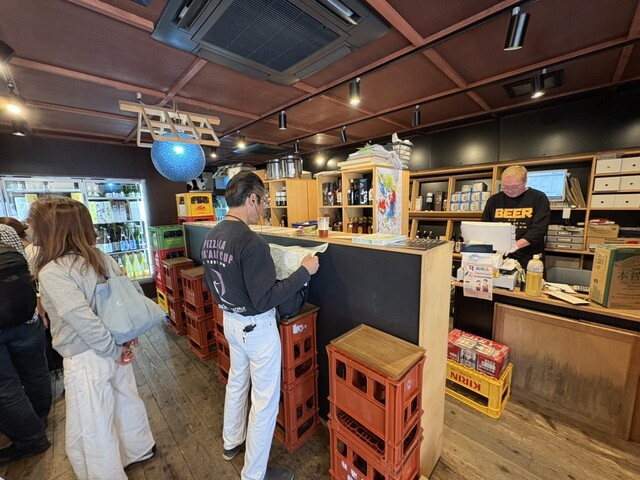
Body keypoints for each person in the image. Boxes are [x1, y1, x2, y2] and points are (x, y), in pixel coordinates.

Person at [201, 171, 319, 480]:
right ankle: (254, 474)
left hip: (231, 321)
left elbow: (210, 283)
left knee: (237, 382)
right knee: (264, 403)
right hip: (257, 328)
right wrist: (304, 272)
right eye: (263, 202)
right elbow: (267, 298)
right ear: (251, 199)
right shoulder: (251, 242)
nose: (263, 208)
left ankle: (231, 441)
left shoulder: (212, 235)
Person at [29, 197, 155, 480]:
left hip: (86, 354)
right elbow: (131, 295)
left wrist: (113, 350)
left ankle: (106, 473)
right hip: (117, 344)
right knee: (125, 399)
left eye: (32, 222)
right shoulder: (100, 257)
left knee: (94, 418)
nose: (28, 227)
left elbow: (82, 320)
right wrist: (125, 341)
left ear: (51, 228)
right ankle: (138, 449)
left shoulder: (53, 271)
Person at [0, 223, 52, 464]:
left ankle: (32, 439)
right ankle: (40, 417)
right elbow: (28, 272)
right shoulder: (6, 231)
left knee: (6, 388)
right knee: (36, 372)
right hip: (26, 316)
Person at [481, 165, 550, 269]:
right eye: (505, 187)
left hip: (529, 258)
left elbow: (539, 229)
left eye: (514, 187)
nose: (509, 190)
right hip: (499, 256)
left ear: (525, 182)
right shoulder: (494, 200)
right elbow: (485, 225)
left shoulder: (538, 198)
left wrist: (516, 245)